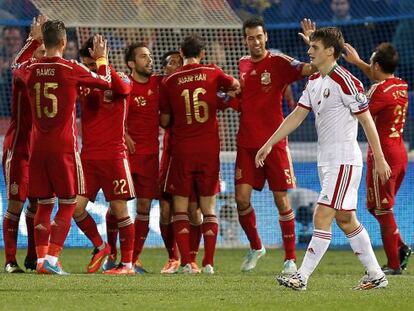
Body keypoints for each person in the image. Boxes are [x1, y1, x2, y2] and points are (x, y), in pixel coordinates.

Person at [256, 27, 390, 290]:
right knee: (346, 219)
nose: (308, 51)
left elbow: (366, 120)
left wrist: (381, 158)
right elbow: (297, 114)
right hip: (326, 162)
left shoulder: (347, 81)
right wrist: (269, 143)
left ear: (330, 51)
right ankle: (376, 275)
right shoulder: (315, 81)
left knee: (322, 215)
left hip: (344, 161)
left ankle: (301, 277)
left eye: (314, 48)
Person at [23, 20, 112, 275]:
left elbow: (15, 66)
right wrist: (102, 58)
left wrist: (32, 42)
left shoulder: (29, 67)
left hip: (37, 146)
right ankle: (51, 258)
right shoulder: (71, 68)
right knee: (68, 202)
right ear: (63, 42)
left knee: (43, 203)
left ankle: (41, 260)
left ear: (45, 41)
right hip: (63, 147)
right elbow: (105, 82)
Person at [235, 17, 316, 274]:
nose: (255, 41)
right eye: (250, 37)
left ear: (266, 37)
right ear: (245, 40)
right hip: (247, 143)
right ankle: (257, 247)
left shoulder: (279, 62)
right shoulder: (243, 64)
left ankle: (290, 260)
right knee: (241, 198)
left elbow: (310, 69)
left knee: (281, 200)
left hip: (274, 144)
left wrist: (313, 43)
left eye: (259, 36)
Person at [160, 34, 240, 274]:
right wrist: (220, 97)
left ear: (182, 53)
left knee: (181, 208)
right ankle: (208, 263)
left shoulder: (170, 81)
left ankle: (185, 263)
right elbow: (235, 85)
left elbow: (164, 121)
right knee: (208, 208)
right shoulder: (213, 72)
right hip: (209, 150)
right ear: (202, 53)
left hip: (182, 150)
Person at [343, 42, 411, 274]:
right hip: (400, 153)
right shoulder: (401, 85)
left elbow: (358, 111)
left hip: (383, 156)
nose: (369, 67)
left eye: (371, 63)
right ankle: (401, 246)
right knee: (375, 206)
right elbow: (378, 76)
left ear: (378, 65)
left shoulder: (377, 92)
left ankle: (394, 265)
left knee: (383, 210)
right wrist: (359, 61)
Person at [72, 36, 136, 275]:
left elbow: (121, 89)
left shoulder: (121, 79)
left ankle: (127, 265)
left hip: (113, 156)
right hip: (87, 157)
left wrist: (102, 63)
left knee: (120, 211)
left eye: (92, 65)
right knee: (75, 208)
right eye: (86, 66)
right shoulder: (83, 82)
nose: (89, 71)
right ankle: (102, 246)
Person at [2, 15, 46, 273]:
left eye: (44, 52)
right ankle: (9, 260)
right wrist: (34, 40)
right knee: (16, 204)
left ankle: (32, 255)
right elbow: (16, 64)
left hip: (42, 150)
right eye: (39, 52)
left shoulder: (53, 75)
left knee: (37, 204)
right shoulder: (24, 72)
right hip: (18, 148)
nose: (43, 57)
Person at [121, 42, 162, 273]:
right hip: (126, 155)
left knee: (145, 207)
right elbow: (113, 114)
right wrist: (123, 134)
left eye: (150, 56)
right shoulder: (125, 84)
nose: (149, 60)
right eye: (144, 57)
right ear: (131, 63)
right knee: (119, 207)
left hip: (150, 156)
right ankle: (115, 255)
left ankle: (134, 259)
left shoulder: (158, 83)